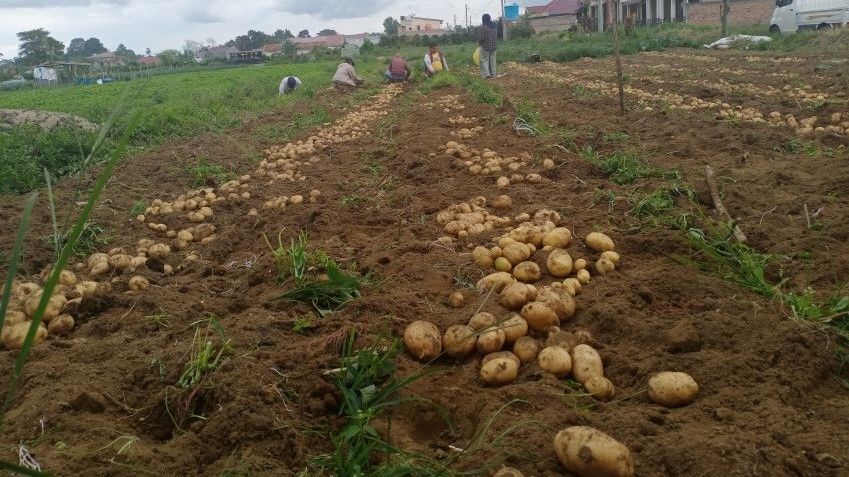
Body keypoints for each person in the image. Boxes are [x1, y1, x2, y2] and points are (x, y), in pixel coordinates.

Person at [478, 14, 498, 79]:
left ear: (483, 19)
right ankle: (493, 74)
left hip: (485, 47)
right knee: (493, 60)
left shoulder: (483, 27)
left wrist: (478, 44)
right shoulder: (494, 26)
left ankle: (486, 75)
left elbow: (481, 38)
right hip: (494, 46)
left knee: (483, 60)